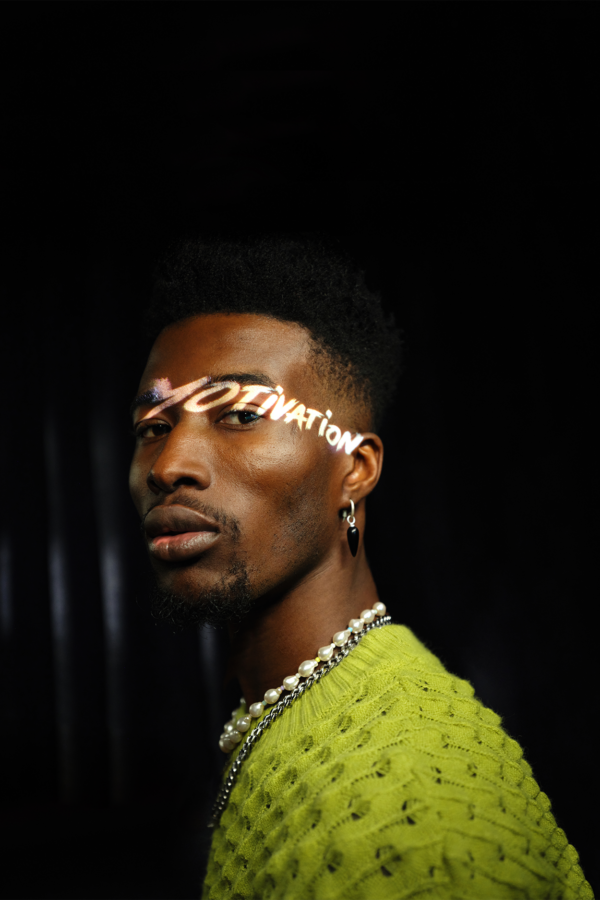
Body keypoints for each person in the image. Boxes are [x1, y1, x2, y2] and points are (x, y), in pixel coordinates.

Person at [128, 234, 592, 899]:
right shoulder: (296, 709)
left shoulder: (409, 815)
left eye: (241, 415)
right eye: (153, 426)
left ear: (355, 468)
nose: (169, 465)